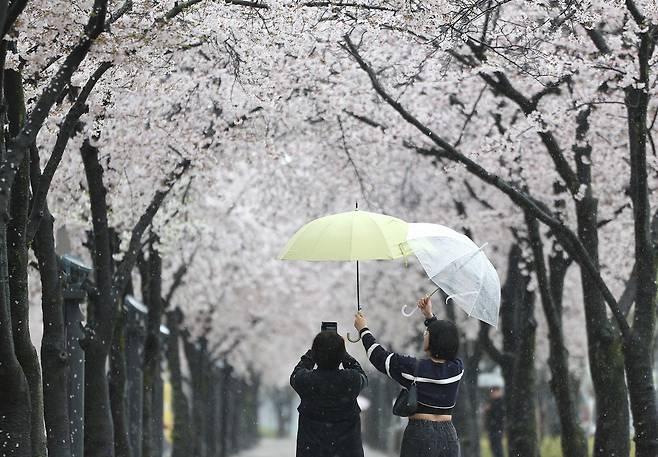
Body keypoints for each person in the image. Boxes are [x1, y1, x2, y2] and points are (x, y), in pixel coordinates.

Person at [354, 297, 462, 457]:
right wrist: (430, 317)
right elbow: (444, 341)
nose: (425, 335)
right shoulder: (457, 369)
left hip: (420, 434)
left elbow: (379, 357)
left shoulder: (413, 368)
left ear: (433, 340)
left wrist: (364, 330)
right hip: (449, 434)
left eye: (427, 334)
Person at [290, 330, 368, 457]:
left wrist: (311, 354)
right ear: (341, 355)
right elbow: (362, 376)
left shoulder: (305, 381)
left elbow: (295, 375)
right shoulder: (351, 380)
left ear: (315, 354)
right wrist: (344, 355)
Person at [484, 386, 505, 457]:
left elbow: (498, 415)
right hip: (492, 429)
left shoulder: (500, 402)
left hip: (497, 428)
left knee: (497, 447)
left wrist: (490, 409)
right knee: (494, 447)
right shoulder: (492, 402)